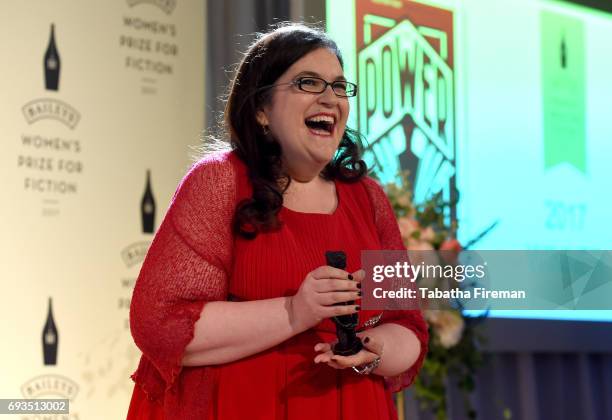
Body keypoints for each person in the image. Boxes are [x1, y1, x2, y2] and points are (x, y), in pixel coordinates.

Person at [126, 23, 428, 420]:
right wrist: (295, 311)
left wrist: (371, 348)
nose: (330, 98)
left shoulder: (369, 198)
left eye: (339, 87)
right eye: (308, 83)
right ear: (261, 109)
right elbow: (161, 324)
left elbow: (408, 328)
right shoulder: (220, 181)